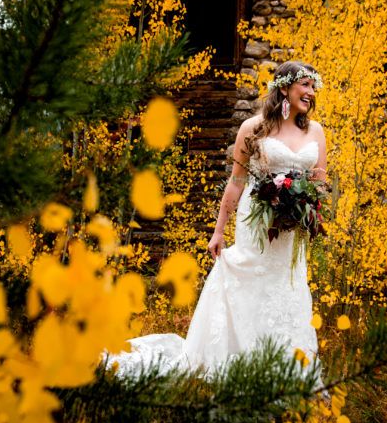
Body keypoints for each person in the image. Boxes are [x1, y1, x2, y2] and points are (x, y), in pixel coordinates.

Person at [108, 61, 327, 376]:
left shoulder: (316, 131)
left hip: (292, 231)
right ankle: (244, 360)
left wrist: (306, 208)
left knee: (287, 287)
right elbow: (236, 182)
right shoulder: (252, 128)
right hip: (257, 223)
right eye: (304, 85)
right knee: (251, 282)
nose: (310, 92)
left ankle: (287, 365)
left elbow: (318, 183)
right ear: (284, 88)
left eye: (312, 86)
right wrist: (218, 231)